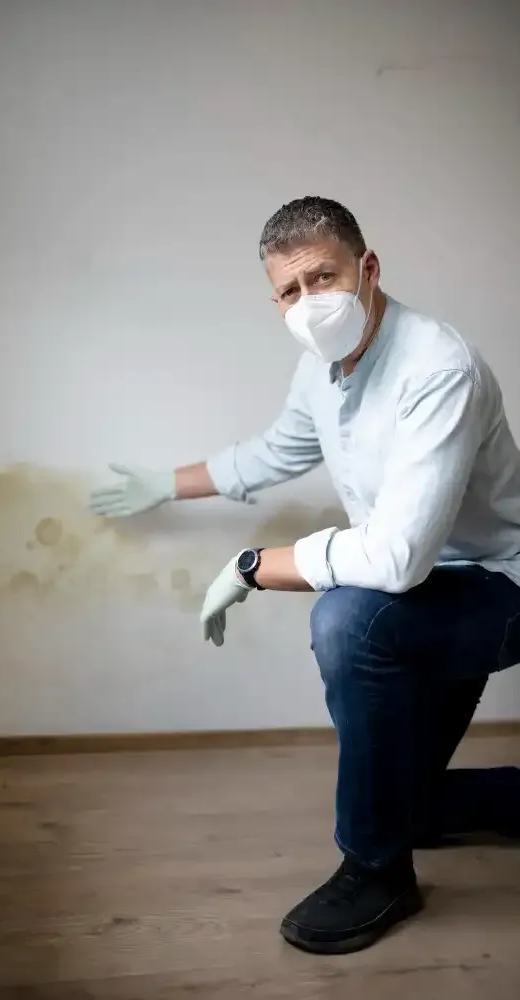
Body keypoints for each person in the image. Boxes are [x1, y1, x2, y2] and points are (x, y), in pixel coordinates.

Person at [89, 195, 520, 955]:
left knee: (346, 619)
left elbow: (395, 558)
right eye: (289, 290)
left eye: (323, 277)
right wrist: (165, 483)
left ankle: (375, 872)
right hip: (426, 592)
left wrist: (254, 566)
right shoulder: (320, 369)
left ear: (367, 268)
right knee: (410, 804)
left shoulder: (437, 367)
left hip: (497, 586)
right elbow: (274, 451)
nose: (309, 301)